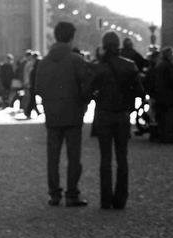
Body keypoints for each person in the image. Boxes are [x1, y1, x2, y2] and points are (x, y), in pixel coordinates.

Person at [34, 21, 93, 207]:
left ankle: (54, 194)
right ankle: (71, 194)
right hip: (73, 112)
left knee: (53, 156)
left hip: (52, 113)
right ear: (71, 37)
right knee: (74, 157)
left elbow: (38, 88)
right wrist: (84, 100)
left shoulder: (43, 62)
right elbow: (89, 83)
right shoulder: (76, 60)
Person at [90, 32, 141, 210]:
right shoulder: (130, 66)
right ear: (118, 45)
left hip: (104, 114)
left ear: (104, 46)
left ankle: (105, 199)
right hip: (122, 114)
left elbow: (89, 91)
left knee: (105, 158)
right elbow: (140, 91)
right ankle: (120, 199)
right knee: (122, 157)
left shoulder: (97, 67)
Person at [152, 46, 173, 143]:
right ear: (169, 55)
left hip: (159, 95)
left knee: (161, 117)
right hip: (169, 95)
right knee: (170, 117)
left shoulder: (159, 65)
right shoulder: (170, 66)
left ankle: (161, 136)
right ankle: (168, 137)